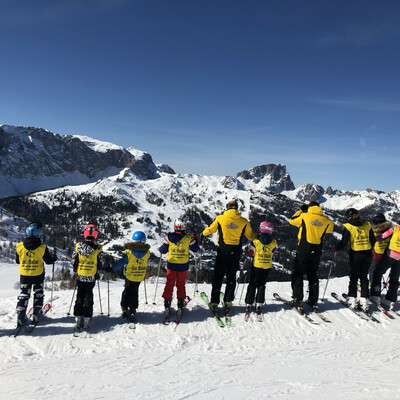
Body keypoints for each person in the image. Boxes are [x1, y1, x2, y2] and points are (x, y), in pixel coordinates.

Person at [202, 199, 255, 316]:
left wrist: (202, 234)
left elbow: (211, 229)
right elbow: (250, 235)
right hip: (235, 253)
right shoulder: (243, 221)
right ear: (236, 208)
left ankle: (214, 303)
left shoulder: (220, 218)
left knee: (218, 277)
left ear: (227, 207)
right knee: (231, 278)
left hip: (222, 252)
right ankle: (228, 302)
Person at [289, 201, 334, 313]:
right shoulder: (326, 220)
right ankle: (313, 301)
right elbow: (330, 229)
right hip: (317, 251)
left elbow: (292, 220)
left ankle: (297, 299)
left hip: (303, 249)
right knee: (313, 275)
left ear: (309, 208)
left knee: (298, 274)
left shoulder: (304, 216)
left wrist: (301, 210)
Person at [15, 222, 57, 327]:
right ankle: (36, 314)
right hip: (38, 274)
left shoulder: (19, 246)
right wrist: (54, 258)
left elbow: (17, 261)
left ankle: (20, 315)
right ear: (39, 234)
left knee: (24, 294)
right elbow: (48, 261)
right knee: (38, 293)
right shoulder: (42, 247)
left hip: (24, 274)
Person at [334, 208, 375, 311]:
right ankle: (364, 301)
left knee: (354, 276)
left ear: (348, 217)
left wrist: (337, 247)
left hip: (356, 254)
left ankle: (352, 299)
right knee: (364, 277)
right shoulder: (367, 224)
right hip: (368, 254)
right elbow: (373, 240)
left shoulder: (348, 226)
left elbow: (344, 242)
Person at [159, 219, 199, 316]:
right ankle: (180, 304)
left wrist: (160, 248)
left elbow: (163, 250)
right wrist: (196, 240)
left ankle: (167, 304)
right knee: (180, 284)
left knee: (169, 284)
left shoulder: (169, 237)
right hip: (183, 266)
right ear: (184, 227)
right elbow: (195, 249)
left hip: (171, 265)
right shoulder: (189, 238)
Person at [108, 231, 150, 322]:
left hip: (130, 275)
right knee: (135, 291)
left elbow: (122, 263)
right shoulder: (147, 253)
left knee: (127, 290)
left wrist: (112, 269)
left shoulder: (129, 253)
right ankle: (132, 308)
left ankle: (124, 306)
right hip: (139, 276)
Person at [72, 224, 103, 330]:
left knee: (80, 295)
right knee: (88, 295)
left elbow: (74, 261)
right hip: (91, 277)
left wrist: (75, 270)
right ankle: (87, 317)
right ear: (95, 234)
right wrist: (98, 271)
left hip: (80, 276)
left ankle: (78, 317)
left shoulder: (78, 247)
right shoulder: (97, 248)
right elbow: (100, 263)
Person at [244, 221, 277, 316]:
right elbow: (272, 254)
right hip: (267, 266)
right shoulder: (273, 242)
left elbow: (251, 253)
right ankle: (259, 303)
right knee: (262, 284)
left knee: (253, 284)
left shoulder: (256, 241)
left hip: (257, 265)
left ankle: (249, 303)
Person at [370, 220, 400, 309]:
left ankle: (375, 295)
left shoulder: (395, 228)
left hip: (390, 255)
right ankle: (390, 300)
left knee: (377, 272)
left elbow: (382, 237)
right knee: (394, 279)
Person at [370, 213, 392, 282]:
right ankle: (392, 282)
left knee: (373, 270)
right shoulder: (390, 230)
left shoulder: (373, 231)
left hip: (376, 255)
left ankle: (372, 284)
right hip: (388, 255)